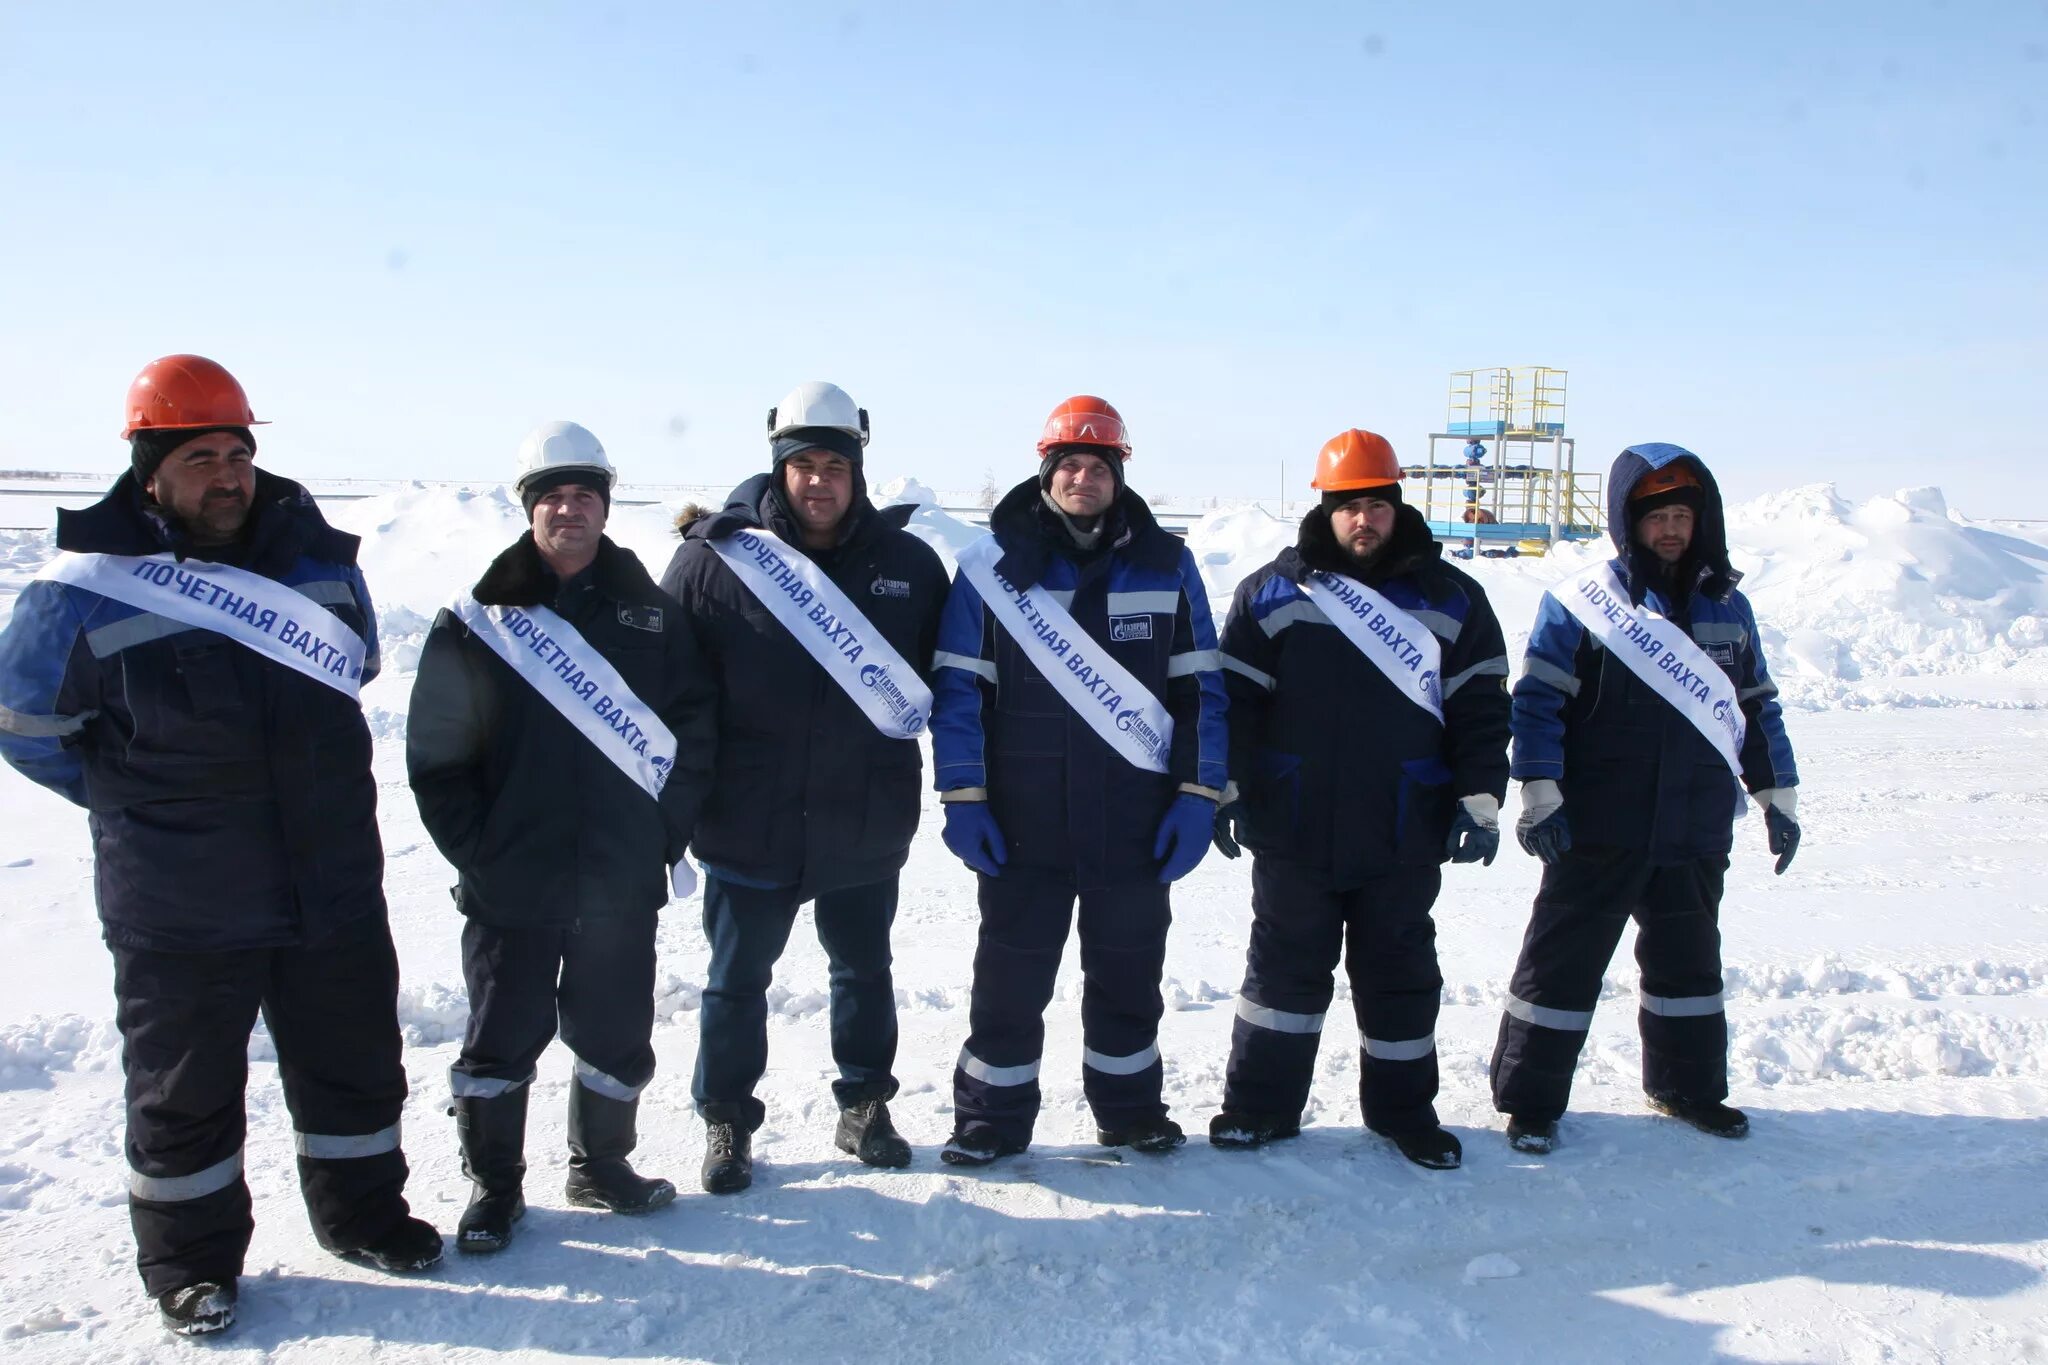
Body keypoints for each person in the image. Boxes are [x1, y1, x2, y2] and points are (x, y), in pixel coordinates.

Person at [0, 355, 441, 1336]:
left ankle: (364, 1217)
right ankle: (191, 1268)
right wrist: (138, 807)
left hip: (328, 884)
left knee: (354, 1066)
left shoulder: (320, 563)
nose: (228, 475)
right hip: (178, 900)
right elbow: (26, 730)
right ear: (148, 469)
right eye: (200, 457)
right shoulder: (81, 590)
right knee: (184, 1095)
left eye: (237, 452)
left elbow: (355, 668)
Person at [407, 421, 716, 1251]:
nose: (569, 508)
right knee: (500, 1037)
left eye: (585, 494)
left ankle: (601, 1165)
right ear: (528, 508)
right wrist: (480, 848)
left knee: (615, 1028)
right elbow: (436, 755)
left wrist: (662, 829)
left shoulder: (651, 613)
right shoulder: (478, 622)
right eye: (552, 496)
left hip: (619, 874)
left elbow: (695, 729)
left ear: (606, 507)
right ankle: (495, 1189)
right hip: (512, 879)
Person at [659, 382, 948, 1192]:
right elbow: (671, 697)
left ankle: (864, 1105)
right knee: (735, 981)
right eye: (803, 466)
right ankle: (725, 1119)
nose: (819, 481)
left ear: (858, 471)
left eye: (835, 466)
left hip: (865, 815)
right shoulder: (712, 562)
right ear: (778, 469)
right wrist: (670, 812)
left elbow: (948, 683)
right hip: (747, 817)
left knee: (864, 971)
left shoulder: (910, 567)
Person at [930, 395, 1229, 1165]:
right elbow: (959, 688)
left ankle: (1130, 1111)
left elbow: (1203, 689)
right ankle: (989, 1119)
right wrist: (964, 796)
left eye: (1099, 465)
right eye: (1070, 464)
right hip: (1023, 821)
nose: (1083, 477)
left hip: (1135, 818)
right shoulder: (993, 569)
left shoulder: (1169, 565)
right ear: (1046, 473)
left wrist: (1199, 795)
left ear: (1119, 476)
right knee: (1008, 978)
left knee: (1129, 975)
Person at [1207, 429, 1510, 1169]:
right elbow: (1232, 703)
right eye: (1348, 506)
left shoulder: (1453, 599)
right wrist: (1227, 784)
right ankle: (1260, 1109)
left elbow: (1481, 708)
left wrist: (1479, 797)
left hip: (1405, 826)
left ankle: (1404, 1114)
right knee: (1281, 973)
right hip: (1294, 822)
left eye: (1375, 505)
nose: (1362, 520)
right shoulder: (1272, 593)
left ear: (1396, 506)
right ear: (1325, 508)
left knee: (1400, 975)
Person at [1490, 445, 1801, 1153]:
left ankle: (1688, 1088)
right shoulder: (1582, 604)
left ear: (1702, 521)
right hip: (1598, 824)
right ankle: (1530, 1102)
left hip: (1693, 824)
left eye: (1681, 516)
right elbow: (1537, 702)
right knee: (1560, 966)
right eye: (1657, 516)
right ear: (1629, 523)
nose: (1670, 530)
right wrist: (1540, 793)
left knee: (1689, 967)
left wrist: (1776, 794)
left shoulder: (1729, 607)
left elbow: (1755, 707)